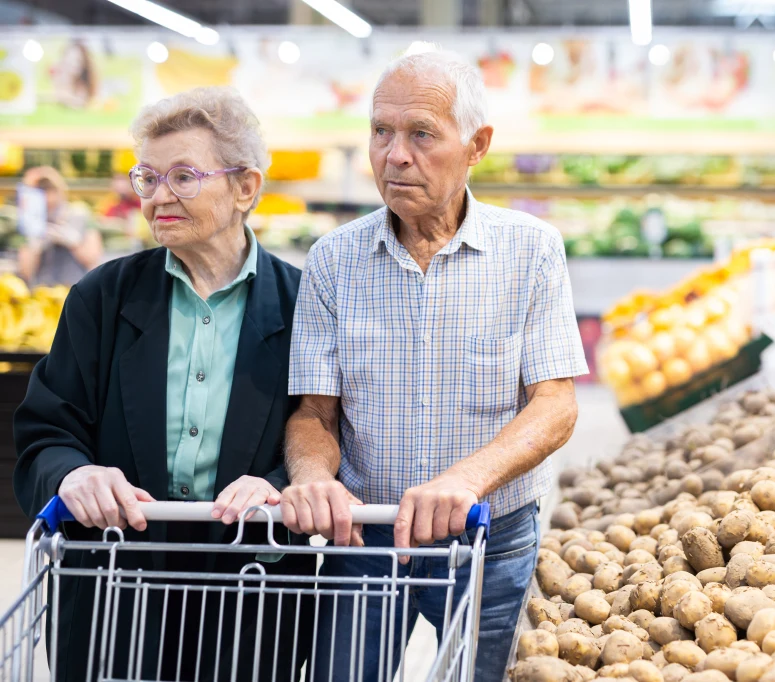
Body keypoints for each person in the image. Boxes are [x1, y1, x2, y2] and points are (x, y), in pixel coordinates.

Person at [282, 48, 588, 681]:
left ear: (476, 145)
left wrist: (467, 480)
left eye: (421, 134)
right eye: (380, 132)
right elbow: (314, 412)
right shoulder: (332, 260)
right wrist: (313, 476)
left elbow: (555, 403)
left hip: (490, 539)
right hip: (364, 538)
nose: (395, 154)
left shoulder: (530, 251)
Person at [13, 87, 313, 682]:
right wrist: (75, 472)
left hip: (251, 594)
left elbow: (327, 433)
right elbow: (46, 428)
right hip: (114, 589)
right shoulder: (101, 296)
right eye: (147, 177)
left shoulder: (303, 303)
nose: (156, 197)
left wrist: (278, 486)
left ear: (246, 188)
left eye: (182, 176)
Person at [17, 165, 104, 286]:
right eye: (41, 191)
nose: (48, 197)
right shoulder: (30, 222)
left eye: (50, 189)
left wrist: (71, 241)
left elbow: (92, 258)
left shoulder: (79, 214)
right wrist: (35, 245)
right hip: (43, 293)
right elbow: (26, 272)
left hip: (76, 289)